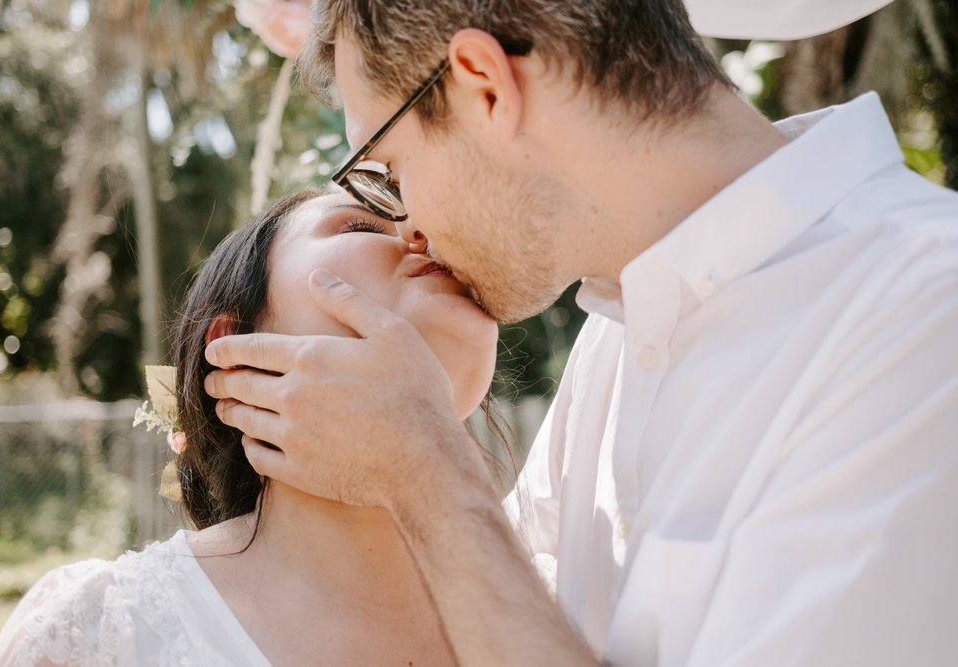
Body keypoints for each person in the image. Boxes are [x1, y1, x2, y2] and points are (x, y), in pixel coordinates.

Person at [202, 1, 958, 665]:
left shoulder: (925, 314)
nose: (412, 228)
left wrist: (430, 471)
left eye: (389, 171)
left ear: (486, 86)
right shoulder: (617, 342)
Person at [0, 189, 501, 665]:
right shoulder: (98, 634)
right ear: (235, 350)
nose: (423, 231)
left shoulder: (565, 598)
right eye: (359, 226)